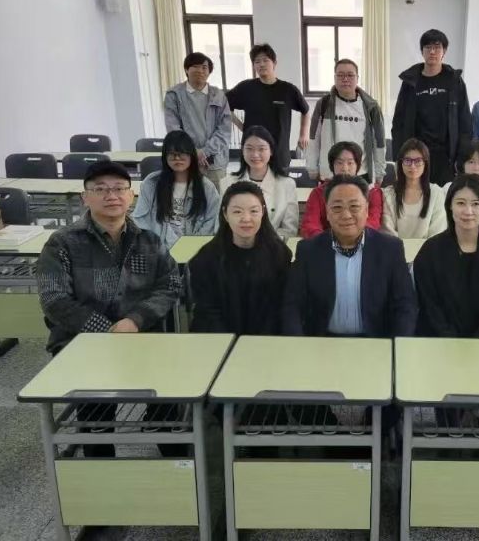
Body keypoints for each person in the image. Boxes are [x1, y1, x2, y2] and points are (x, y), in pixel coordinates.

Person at [36, 161, 181, 457]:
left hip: (141, 336)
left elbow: (170, 284)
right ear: (84, 197)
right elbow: (54, 299)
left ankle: (169, 443)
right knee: (97, 417)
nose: (111, 195)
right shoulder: (62, 243)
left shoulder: (148, 240)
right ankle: (98, 454)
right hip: (82, 342)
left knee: (173, 394)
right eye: (100, 189)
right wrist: (107, 331)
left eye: (118, 188)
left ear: (131, 196)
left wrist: (135, 321)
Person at [282, 174, 418, 337]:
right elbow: (292, 306)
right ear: (327, 212)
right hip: (321, 342)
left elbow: (405, 305)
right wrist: (298, 344)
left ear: (366, 210)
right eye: (337, 208)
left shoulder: (390, 249)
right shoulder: (308, 251)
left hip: (375, 342)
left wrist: (397, 345)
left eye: (354, 206)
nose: (346, 215)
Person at [414, 174, 479, 338]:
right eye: (460, 203)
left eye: (476, 204)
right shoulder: (430, 252)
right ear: (450, 206)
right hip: (439, 344)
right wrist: (452, 341)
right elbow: (430, 308)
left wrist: (476, 343)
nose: (468, 211)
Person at [189, 181, 292, 335]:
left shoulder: (280, 255)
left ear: (263, 212)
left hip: (267, 340)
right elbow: (207, 312)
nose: (246, 218)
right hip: (220, 339)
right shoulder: (206, 259)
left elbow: (280, 308)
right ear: (225, 214)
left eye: (254, 211)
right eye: (237, 212)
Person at [391, 29, 471, 186]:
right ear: (422, 51)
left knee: (444, 197)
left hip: (447, 157)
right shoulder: (410, 82)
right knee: (417, 194)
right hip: (416, 156)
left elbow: (465, 122)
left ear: (444, 51)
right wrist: (398, 158)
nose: (432, 51)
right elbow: (398, 122)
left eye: (437, 47)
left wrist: (462, 158)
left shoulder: (454, 81)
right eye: (428, 47)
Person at [226, 43, 310, 168]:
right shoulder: (246, 88)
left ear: (274, 63)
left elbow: (306, 111)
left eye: (265, 60)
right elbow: (224, 105)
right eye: (257, 61)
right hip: (253, 153)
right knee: (252, 180)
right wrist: (242, 127)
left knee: (280, 179)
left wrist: (304, 134)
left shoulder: (287, 90)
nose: (261, 64)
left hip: (279, 151)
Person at [132, 130, 220, 248]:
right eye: (172, 153)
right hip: (158, 248)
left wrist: (191, 247)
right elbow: (141, 219)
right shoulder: (151, 183)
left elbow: (212, 222)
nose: (177, 158)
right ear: (165, 156)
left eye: (182, 153)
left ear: (191, 155)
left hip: (195, 249)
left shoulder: (207, 188)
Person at [307, 59, 386, 185]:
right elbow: (313, 138)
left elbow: (379, 143)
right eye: (340, 75)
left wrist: (379, 172)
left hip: (360, 175)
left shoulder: (371, 106)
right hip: (329, 176)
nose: (345, 79)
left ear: (357, 78)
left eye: (350, 75)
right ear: (334, 78)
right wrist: (312, 168)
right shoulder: (323, 104)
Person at [164, 52, 231, 191]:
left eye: (204, 67)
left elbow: (224, 130)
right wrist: (193, 151)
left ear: (209, 72)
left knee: (217, 198)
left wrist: (205, 152)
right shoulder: (174, 94)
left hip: (214, 160)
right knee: (188, 196)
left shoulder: (218, 95)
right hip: (186, 159)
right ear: (186, 69)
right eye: (195, 66)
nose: (200, 70)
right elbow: (173, 128)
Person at [221, 125, 298, 240]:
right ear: (242, 151)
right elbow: (222, 226)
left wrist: (259, 242)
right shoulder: (227, 182)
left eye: (261, 149)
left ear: (271, 151)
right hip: (236, 245)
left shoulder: (287, 185)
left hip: (273, 245)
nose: (255, 154)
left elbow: (289, 230)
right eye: (249, 149)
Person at [300, 141, 382, 239]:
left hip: (361, 242)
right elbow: (309, 224)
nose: (344, 168)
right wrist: (328, 241)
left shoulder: (372, 192)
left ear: (358, 165)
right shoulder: (318, 193)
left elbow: (373, 222)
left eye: (350, 163)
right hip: (325, 243)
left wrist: (352, 239)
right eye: (339, 163)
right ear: (332, 166)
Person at [381, 138, 447, 239]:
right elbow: (388, 233)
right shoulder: (388, 194)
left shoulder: (436, 193)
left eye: (418, 161)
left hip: (429, 249)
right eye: (407, 161)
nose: (412, 166)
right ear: (401, 163)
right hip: (396, 248)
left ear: (425, 164)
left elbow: (437, 233)